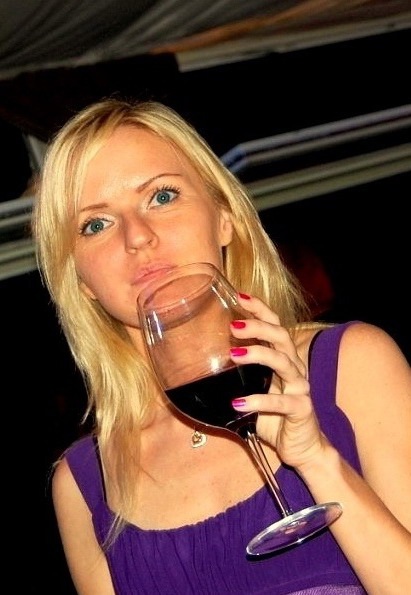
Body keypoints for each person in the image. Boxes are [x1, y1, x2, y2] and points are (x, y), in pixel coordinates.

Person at [34, 98, 411, 595]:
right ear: (81, 280)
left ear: (224, 217)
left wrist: (318, 460)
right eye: (96, 224)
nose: (137, 236)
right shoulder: (85, 487)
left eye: (162, 196)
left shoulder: (352, 368)